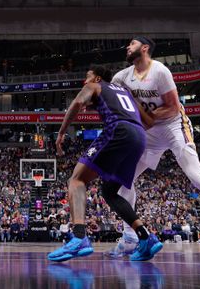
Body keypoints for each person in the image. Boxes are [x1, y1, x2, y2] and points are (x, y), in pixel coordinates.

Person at [110, 37, 200, 257]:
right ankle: (129, 237)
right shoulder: (121, 77)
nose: (127, 47)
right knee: (123, 181)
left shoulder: (160, 72)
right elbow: (116, 106)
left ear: (145, 48)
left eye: (132, 43)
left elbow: (171, 108)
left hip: (173, 126)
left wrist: (143, 118)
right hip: (147, 132)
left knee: (196, 176)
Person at [48, 65, 160, 262]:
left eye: (87, 76)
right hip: (139, 137)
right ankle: (145, 237)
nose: (85, 81)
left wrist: (61, 132)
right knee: (110, 192)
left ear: (97, 78)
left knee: (76, 180)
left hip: (118, 130)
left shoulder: (94, 85)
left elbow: (75, 104)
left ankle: (80, 237)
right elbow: (149, 121)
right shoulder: (125, 91)